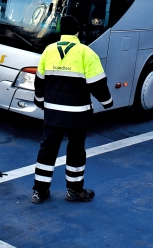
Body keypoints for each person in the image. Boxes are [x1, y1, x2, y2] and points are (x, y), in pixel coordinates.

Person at [31, 14, 113, 204]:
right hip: (78, 113)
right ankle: (74, 191)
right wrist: (107, 102)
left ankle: (40, 191)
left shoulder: (48, 51)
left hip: (52, 111)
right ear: (77, 32)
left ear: (61, 31)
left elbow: (39, 81)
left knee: (47, 149)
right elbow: (98, 84)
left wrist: (40, 100)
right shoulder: (86, 53)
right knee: (76, 150)